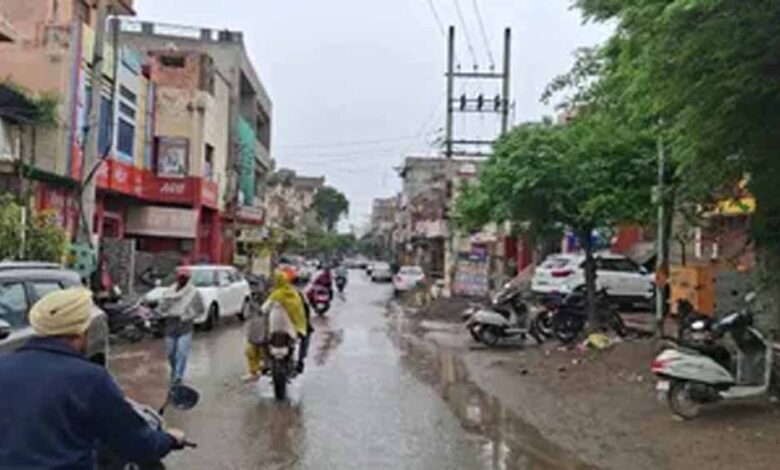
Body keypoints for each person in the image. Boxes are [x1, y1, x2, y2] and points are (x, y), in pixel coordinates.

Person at [0, 288, 185, 469]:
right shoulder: (90, 378)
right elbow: (135, 442)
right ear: (81, 331)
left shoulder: (4, 366)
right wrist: (170, 439)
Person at [243, 270, 308, 381]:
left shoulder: (276, 295)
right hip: (293, 330)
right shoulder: (295, 295)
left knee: (258, 344)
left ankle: (258, 369)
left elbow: (264, 309)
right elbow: (301, 312)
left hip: (274, 330)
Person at [160, 269, 204, 386]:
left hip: (185, 325)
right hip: (171, 325)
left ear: (188, 279)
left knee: (182, 352)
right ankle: (174, 371)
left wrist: (190, 314)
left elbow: (201, 309)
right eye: (180, 277)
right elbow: (162, 307)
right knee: (171, 352)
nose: (182, 280)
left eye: (185, 278)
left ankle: (178, 376)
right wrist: (164, 310)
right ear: (177, 278)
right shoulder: (169, 292)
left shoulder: (194, 293)